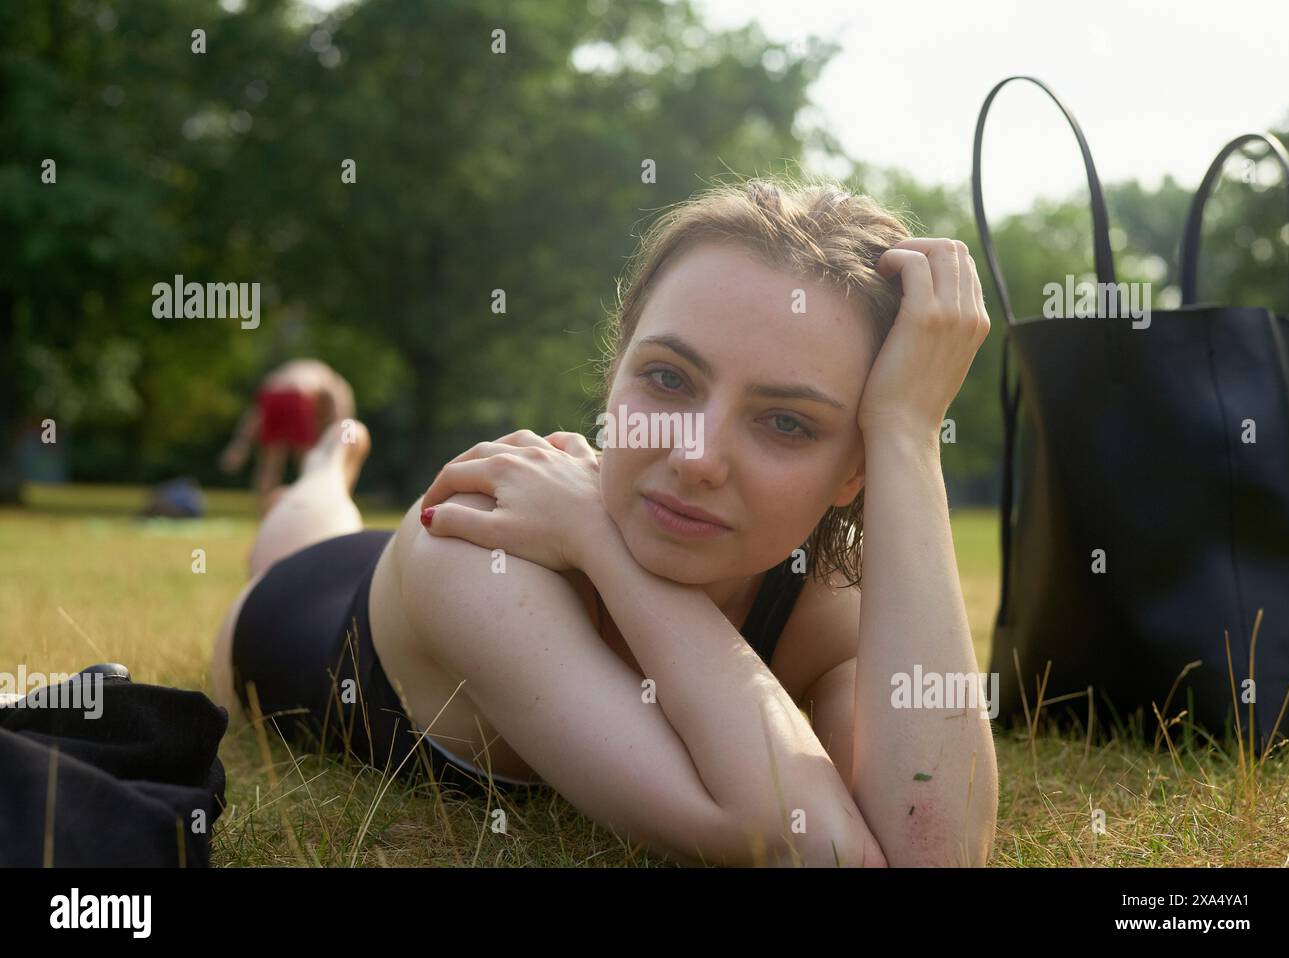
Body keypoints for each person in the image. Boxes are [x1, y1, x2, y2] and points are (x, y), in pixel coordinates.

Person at [209, 177, 999, 868]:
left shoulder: (824, 598)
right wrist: (590, 544)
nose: (696, 458)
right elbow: (813, 846)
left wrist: (906, 431)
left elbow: (931, 851)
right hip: (308, 599)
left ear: (853, 470)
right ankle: (327, 466)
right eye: (667, 377)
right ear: (615, 372)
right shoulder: (485, 546)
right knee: (302, 532)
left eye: (787, 423)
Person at [218, 358, 356, 511]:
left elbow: (256, 413)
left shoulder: (288, 375)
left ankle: (265, 510)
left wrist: (240, 443)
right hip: (298, 395)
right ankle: (310, 506)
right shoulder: (333, 382)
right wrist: (344, 442)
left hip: (269, 394)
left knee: (270, 462)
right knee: (305, 458)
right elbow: (342, 414)